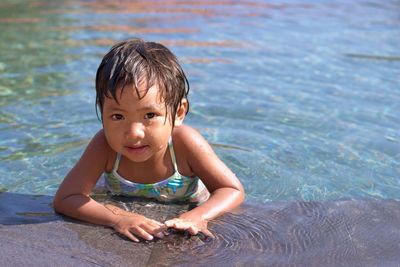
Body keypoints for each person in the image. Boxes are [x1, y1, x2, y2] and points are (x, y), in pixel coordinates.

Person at [53, 38, 245, 242]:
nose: (134, 133)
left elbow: (231, 190)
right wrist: (116, 218)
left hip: (187, 200)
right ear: (102, 112)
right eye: (118, 116)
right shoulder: (104, 146)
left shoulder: (185, 143)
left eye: (150, 115)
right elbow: (67, 198)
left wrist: (197, 216)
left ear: (179, 112)